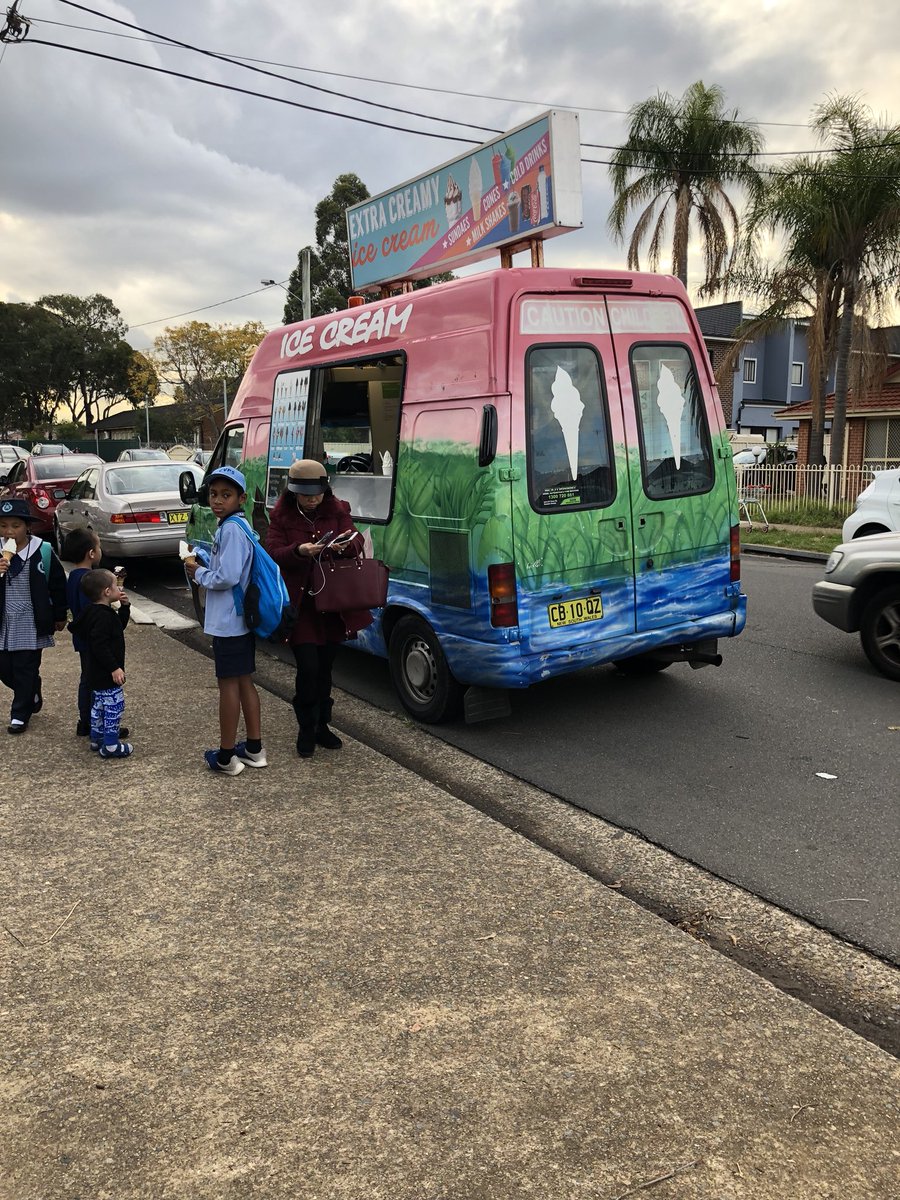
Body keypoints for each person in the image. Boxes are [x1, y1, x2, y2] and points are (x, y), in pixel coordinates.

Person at [266, 458, 372, 758]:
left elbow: (356, 539)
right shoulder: (282, 516)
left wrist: (344, 545)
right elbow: (273, 551)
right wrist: (300, 551)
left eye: (317, 493)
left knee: (325, 668)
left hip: (331, 604)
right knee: (308, 668)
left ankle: (323, 724)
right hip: (302, 605)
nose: (312, 499)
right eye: (305, 494)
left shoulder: (338, 510)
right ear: (293, 492)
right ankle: (306, 725)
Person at [183, 465, 266, 775]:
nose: (218, 501)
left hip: (230, 622)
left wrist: (199, 573)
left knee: (228, 686)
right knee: (245, 681)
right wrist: (206, 560)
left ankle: (227, 756)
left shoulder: (230, 528)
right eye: (214, 494)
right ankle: (254, 749)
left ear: (241, 498)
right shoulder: (239, 525)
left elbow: (228, 576)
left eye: (226, 495)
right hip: (241, 620)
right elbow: (233, 568)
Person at [0, 497, 67, 734]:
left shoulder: (41, 550)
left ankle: (19, 714)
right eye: (4, 525)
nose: (9, 531)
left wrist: (60, 614)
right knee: (5, 668)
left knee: (25, 666)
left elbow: (58, 584)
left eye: (15, 526)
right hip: (3, 619)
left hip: (30, 617)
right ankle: (31, 689)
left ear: (27, 527)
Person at [69, 568, 134, 759]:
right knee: (113, 706)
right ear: (107, 591)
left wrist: (125, 607)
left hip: (93, 671)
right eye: (115, 585)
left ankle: (97, 738)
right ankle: (112, 744)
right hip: (106, 672)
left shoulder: (92, 612)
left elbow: (117, 627)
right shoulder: (104, 616)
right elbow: (100, 644)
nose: (118, 587)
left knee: (97, 705)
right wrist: (114, 667)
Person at [61, 528, 109, 737]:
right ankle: (92, 721)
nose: (100, 551)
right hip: (92, 639)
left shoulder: (73, 576)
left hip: (82, 638)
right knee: (95, 680)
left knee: (87, 678)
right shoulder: (89, 580)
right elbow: (93, 611)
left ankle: (86, 720)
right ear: (91, 553)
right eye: (98, 546)